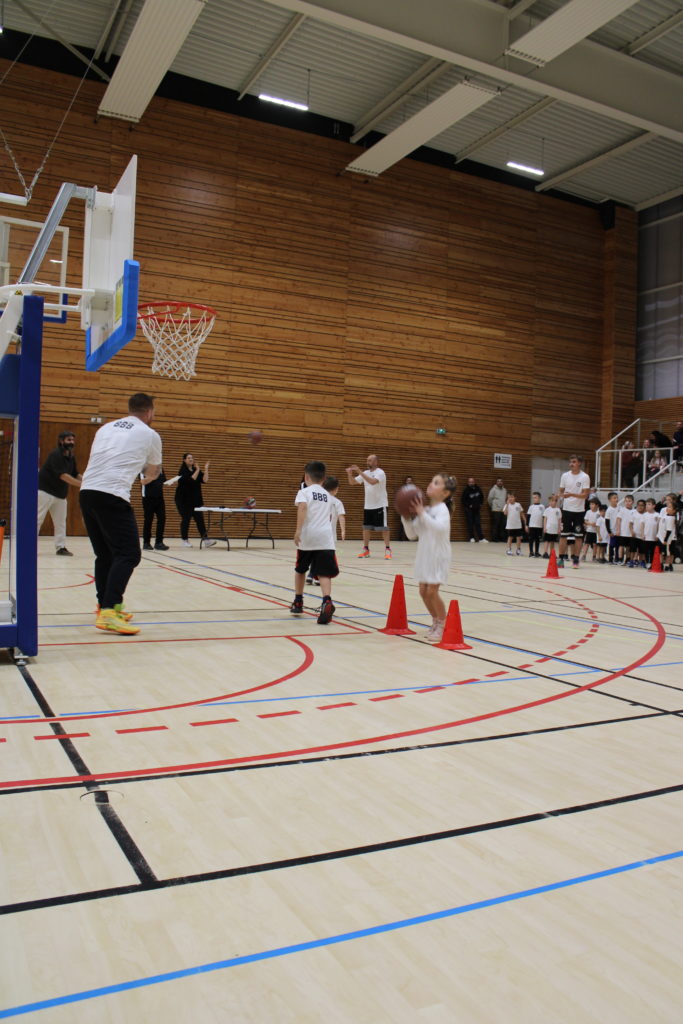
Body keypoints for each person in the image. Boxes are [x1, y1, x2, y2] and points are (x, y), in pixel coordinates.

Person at [79, 393, 162, 635]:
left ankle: (107, 606)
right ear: (149, 412)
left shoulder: (105, 428)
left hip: (87, 492)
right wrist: (149, 473)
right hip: (112, 494)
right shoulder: (150, 434)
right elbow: (153, 471)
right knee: (129, 554)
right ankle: (109, 611)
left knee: (105, 554)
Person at [400, 473, 457, 644]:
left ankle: (443, 623)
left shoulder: (442, 509)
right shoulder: (426, 510)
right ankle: (436, 620)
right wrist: (406, 518)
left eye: (436, 483)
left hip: (439, 555)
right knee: (423, 591)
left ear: (445, 493)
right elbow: (412, 535)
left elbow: (439, 528)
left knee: (432, 591)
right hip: (424, 554)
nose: (431, 484)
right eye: (432, 481)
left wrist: (421, 514)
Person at [290, 460, 338, 624]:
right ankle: (327, 601)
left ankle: (298, 601)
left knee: (301, 569)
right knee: (323, 573)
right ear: (324, 479)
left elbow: (302, 508)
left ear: (306, 477)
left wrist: (298, 530)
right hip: (325, 538)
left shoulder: (304, 492)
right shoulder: (328, 496)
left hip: (308, 536)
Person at [37, 430, 82, 555]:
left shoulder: (71, 456)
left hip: (60, 495)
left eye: (73, 440)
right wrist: (82, 485)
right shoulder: (55, 455)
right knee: (37, 519)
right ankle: (29, 546)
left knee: (61, 522)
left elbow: (75, 473)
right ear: (61, 441)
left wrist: (88, 481)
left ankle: (60, 547)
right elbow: (63, 476)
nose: (71, 442)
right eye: (69, 440)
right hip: (45, 491)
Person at [345, 454, 391, 559]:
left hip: (380, 504)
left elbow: (372, 482)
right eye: (367, 460)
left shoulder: (380, 472)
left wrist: (359, 471)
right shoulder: (365, 473)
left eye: (370, 460)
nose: (367, 462)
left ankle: (388, 549)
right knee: (366, 528)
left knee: (384, 528)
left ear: (376, 462)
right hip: (368, 505)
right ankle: (366, 550)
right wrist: (349, 474)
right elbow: (352, 482)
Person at [306, 476, 346, 585]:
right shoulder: (337, 502)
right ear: (336, 489)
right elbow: (341, 516)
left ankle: (311, 575)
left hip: (315, 531)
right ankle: (317, 576)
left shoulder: (319, 499)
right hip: (328, 535)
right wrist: (343, 530)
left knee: (315, 554)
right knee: (323, 556)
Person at [174, 453, 217, 548]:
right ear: (184, 460)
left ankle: (206, 540)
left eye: (192, 458)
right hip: (183, 500)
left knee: (200, 520)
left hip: (195, 500)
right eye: (188, 458)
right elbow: (191, 480)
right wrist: (197, 470)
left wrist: (206, 469)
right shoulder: (183, 471)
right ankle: (185, 540)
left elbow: (205, 480)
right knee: (186, 519)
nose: (191, 459)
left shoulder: (195, 469)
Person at [557, 454, 590, 568]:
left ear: (579, 463)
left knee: (578, 536)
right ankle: (561, 559)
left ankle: (575, 560)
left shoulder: (585, 477)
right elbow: (561, 491)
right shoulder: (565, 476)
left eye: (574, 462)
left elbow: (585, 495)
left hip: (579, 511)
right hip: (566, 510)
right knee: (563, 536)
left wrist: (571, 494)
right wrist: (561, 495)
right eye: (570, 462)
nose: (571, 464)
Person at [141, 466, 172, 550]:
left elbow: (163, 481)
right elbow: (143, 482)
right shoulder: (144, 468)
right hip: (148, 498)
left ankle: (159, 542)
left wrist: (169, 482)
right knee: (148, 520)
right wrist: (153, 476)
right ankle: (146, 543)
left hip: (159, 498)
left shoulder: (160, 468)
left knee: (162, 519)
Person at [461, 476, 487, 543]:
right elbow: (463, 500)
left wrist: (480, 503)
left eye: (472, 482)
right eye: (470, 482)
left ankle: (481, 538)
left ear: (474, 482)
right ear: (468, 483)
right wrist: (469, 505)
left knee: (478, 523)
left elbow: (482, 496)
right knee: (470, 524)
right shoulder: (466, 490)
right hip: (469, 510)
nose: (471, 483)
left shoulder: (478, 489)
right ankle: (471, 538)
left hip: (477, 509)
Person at [615, 494, 635, 566]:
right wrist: (618, 530)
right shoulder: (622, 510)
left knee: (628, 547)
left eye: (629, 501)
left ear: (633, 502)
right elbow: (618, 520)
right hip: (623, 532)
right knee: (621, 546)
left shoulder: (634, 511)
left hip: (630, 533)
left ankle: (627, 559)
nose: (627, 502)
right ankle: (620, 559)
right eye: (626, 501)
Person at [504, 491, 526, 556]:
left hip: (518, 525)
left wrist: (525, 521)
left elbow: (522, 514)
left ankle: (518, 550)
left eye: (512, 497)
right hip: (510, 525)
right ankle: (508, 549)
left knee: (518, 537)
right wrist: (507, 505)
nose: (510, 498)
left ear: (515, 498)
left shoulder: (518, 505)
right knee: (510, 537)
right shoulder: (506, 505)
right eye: (509, 497)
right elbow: (505, 513)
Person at [487, 478, 507, 542]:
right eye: (498, 481)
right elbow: (489, 499)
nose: (500, 482)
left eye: (501, 481)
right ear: (496, 482)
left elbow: (505, 499)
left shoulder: (505, 490)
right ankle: (494, 538)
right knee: (496, 525)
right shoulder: (493, 490)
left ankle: (502, 538)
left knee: (503, 525)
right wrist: (493, 506)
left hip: (503, 510)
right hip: (496, 510)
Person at [398, 476, 417, 541]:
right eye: (408, 480)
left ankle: (410, 538)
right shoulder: (402, 489)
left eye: (410, 480)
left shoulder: (414, 489)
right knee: (403, 523)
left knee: (411, 523)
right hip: (404, 508)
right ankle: (401, 538)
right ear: (406, 482)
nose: (409, 482)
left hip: (412, 508)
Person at [542, 494, 561, 558]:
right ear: (549, 502)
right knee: (547, 540)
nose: (553, 502)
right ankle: (545, 553)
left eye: (554, 501)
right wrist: (544, 527)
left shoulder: (558, 510)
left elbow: (559, 520)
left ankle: (552, 553)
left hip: (554, 529)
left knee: (553, 541)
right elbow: (545, 519)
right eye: (551, 501)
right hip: (548, 528)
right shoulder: (547, 509)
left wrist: (559, 528)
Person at [526, 491, 544, 557]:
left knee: (537, 539)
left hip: (539, 526)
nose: (534, 499)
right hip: (532, 526)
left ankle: (536, 552)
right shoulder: (531, 507)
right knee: (531, 539)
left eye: (536, 497)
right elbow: (528, 516)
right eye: (533, 498)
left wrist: (544, 525)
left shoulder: (542, 506)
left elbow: (544, 516)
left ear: (539, 498)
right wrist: (527, 525)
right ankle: (531, 552)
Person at [604, 491, 620, 564]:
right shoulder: (609, 510)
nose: (616, 499)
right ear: (609, 500)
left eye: (617, 498)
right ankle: (610, 559)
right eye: (614, 498)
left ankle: (617, 559)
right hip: (612, 531)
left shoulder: (620, 508)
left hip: (619, 531)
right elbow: (607, 521)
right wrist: (609, 531)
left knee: (618, 546)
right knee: (611, 545)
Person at [582, 497, 600, 561]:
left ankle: (594, 556)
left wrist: (596, 524)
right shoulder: (588, 512)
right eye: (590, 504)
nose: (591, 505)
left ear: (597, 505)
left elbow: (600, 521)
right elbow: (585, 521)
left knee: (595, 544)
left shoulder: (598, 513)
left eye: (592, 504)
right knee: (587, 543)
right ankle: (584, 555)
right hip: (589, 530)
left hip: (596, 531)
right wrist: (590, 523)